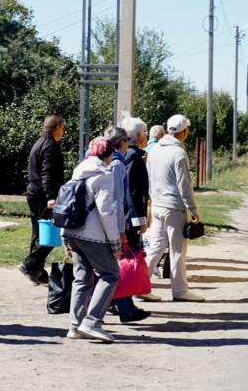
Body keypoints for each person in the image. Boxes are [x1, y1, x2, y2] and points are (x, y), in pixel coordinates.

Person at [62, 136, 123, 343]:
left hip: (73, 232)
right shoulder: (104, 176)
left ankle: (75, 326)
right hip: (93, 236)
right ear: (109, 155)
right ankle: (92, 321)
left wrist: (64, 235)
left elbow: (68, 202)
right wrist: (115, 243)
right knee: (111, 274)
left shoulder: (78, 171)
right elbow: (107, 212)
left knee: (82, 278)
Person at [144, 114, 203, 302]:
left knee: (155, 248)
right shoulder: (179, 153)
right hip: (174, 208)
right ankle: (180, 291)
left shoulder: (154, 151)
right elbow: (184, 185)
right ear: (183, 132)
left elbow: (150, 179)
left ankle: (139, 285)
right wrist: (193, 210)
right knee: (177, 250)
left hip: (157, 205)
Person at [105, 125, 150, 323]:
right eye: (143, 133)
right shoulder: (123, 160)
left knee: (112, 265)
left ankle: (120, 304)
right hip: (121, 221)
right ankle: (125, 307)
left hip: (114, 221)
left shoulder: (117, 158)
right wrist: (137, 221)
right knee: (122, 263)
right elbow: (128, 194)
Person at [19, 114, 65, 285]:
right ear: (58, 128)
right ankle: (30, 264)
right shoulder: (50, 146)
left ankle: (36, 270)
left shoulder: (39, 143)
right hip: (42, 195)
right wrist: (51, 197)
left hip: (34, 192)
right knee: (52, 233)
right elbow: (47, 173)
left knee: (38, 233)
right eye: (62, 128)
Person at [121, 116, 160, 303]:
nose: (146, 135)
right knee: (131, 255)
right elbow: (132, 191)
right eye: (144, 132)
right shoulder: (134, 156)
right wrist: (139, 219)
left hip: (128, 215)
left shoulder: (131, 154)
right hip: (130, 217)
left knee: (133, 254)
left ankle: (136, 290)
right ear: (137, 135)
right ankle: (129, 294)